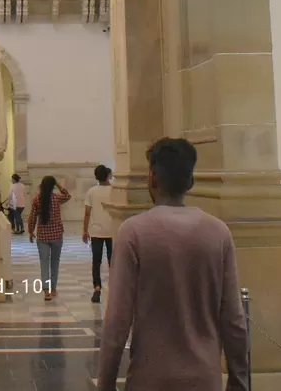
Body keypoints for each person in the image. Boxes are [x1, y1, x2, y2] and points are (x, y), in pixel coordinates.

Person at [96, 138, 249, 391]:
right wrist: (239, 381)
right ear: (190, 182)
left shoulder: (133, 232)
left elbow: (117, 321)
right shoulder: (218, 232)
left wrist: (106, 384)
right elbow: (234, 319)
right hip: (204, 379)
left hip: (149, 379)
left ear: (152, 178)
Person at [26, 174, 71, 301]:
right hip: (57, 235)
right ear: (52, 187)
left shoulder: (37, 200)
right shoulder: (57, 198)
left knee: (44, 262)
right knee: (55, 262)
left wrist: (30, 231)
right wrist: (58, 185)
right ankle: (53, 288)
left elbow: (32, 217)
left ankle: (46, 291)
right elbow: (68, 196)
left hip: (43, 236)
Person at [82, 164, 115, 304]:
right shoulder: (114, 190)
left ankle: (97, 287)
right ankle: (114, 286)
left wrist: (85, 230)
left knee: (96, 261)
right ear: (108, 175)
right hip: (113, 230)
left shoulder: (91, 191)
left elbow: (87, 213)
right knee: (113, 261)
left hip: (96, 231)